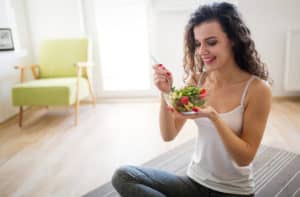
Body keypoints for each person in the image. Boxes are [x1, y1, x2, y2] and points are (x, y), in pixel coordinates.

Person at [112, 2, 272, 197]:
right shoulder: (198, 80)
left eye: (211, 42)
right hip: (194, 183)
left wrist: (214, 117)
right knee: (123, 176)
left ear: (233, 40)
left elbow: (244, 158)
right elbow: (168, 134)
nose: (202, 51)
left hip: (232, 192)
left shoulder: (257, 89)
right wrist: (166, 92)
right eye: (198, 43)